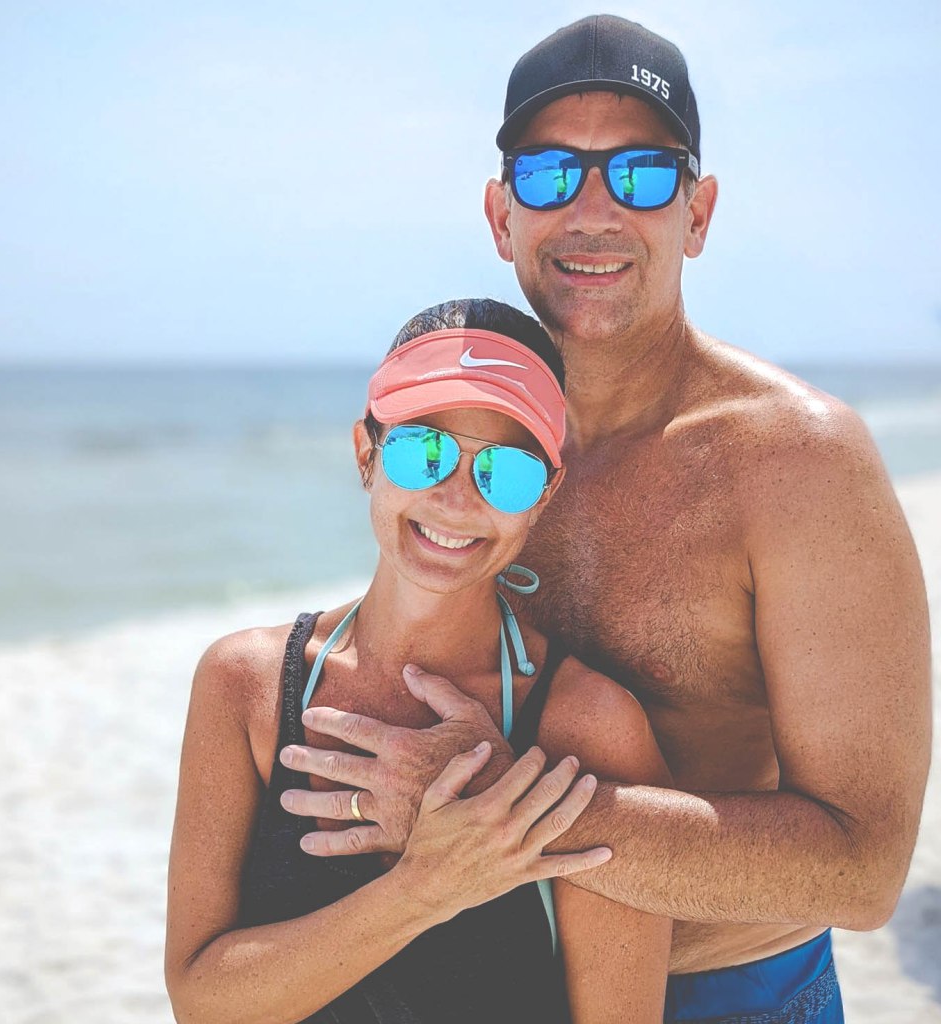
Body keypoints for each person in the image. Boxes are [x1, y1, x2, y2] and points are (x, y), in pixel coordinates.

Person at [276, 15, 932, 1023]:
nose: (591, 211)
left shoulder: (797, 462)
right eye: (548, 175)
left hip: (723, 994)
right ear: (501, 217)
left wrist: (497, 813)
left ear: (698, 213)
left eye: (640, 174)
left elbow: (861, 870)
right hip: (479, 980)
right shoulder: (457, 449)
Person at [165, 298, 673, 1023]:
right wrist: (424, 890)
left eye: (507, 472)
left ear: (546, 497)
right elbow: (202, 1003)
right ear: (365, 453)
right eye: (422, 451)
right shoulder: (242, 685)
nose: (456, 497)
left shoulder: (589, 727)